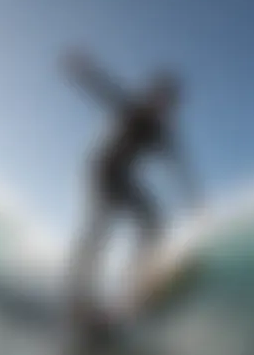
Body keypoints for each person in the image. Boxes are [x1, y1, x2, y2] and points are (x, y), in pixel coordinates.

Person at [63, 50, 200, 306]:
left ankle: (139, 282)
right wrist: (83, 71)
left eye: (168, 103)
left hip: (123, 177)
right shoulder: (132, 109)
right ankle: (80, 291)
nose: (162, 106)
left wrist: (193, 197)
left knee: (153, 220)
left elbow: (179, 164)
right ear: (151, 95)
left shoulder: (161, 131)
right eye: (159, 98)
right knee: (101, 227)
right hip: (102, 170)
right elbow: (104, 89)